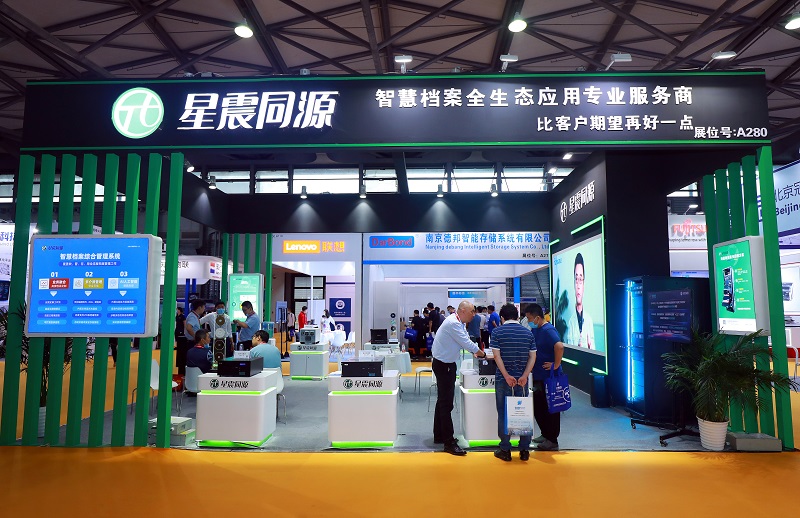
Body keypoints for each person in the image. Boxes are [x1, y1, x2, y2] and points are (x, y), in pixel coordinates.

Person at [431, 300, 486, 456]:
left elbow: (465, 341)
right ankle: (448, 442)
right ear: (462, 311)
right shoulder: (453, 323)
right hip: (444, 365)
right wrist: (483, 354)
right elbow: (466, 343)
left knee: (442, 401)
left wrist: (477, 352)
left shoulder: (458, 322)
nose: (474, 314)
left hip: (446, 363)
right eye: (471, 311)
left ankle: (439, 435)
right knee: (446, 403)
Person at [490, 303, 536, 462]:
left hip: (503, 380)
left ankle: (505, 449)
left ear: (502, 318)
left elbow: (497, 356)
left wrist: (506, 376)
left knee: (503, 412)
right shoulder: (528, 333)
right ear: (517, 316)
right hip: (522, 380)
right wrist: (525, 375)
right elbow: (533, 357)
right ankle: (524, 450)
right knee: (523, 412)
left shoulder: (497, 332)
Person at [525, 303, 565, 451]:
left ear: (537, 318)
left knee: (551, 408)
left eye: (529, 318)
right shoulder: (537, 329)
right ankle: (545, 433)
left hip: (549, 377)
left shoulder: (548, 330)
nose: (528, 321)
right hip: (538, 375)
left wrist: (556, 364)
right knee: (539, 407)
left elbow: (559, 346)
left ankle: (552, 439)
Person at [566, 253, 595, 349]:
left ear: (584, 284)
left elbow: (593, 348)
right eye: (576, 279)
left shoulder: (589, 320)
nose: (578, 285)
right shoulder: (570, 321)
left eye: (581, 279)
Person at [181, 299, 205, 376]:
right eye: (203, 307)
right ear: (199, 307)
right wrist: (196, 337)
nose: (204, 309)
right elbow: (189, 328)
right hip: (192, 343)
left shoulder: (194, 316)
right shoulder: (192, 317)